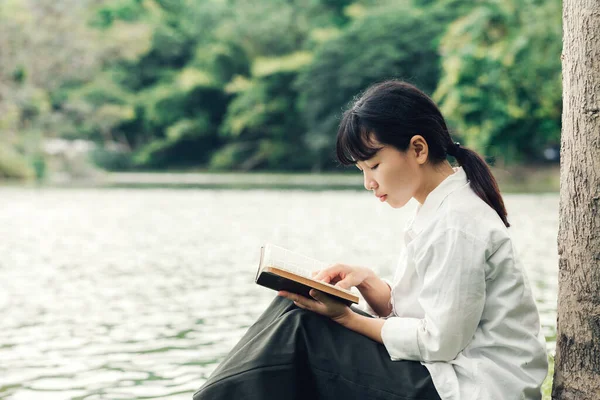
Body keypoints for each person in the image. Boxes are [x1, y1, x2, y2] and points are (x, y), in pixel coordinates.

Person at [193, 80, 549, 400]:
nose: (369, 183)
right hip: (448, 374)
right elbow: (425, 317)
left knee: (303, 327)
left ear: (418, 149)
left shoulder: (458, 222)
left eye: (374, 166)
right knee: (294, 306)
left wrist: (350, 319)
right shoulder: (441, 210)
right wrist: (368, 283)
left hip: (473, 388)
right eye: (362, 171)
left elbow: (439, 341)